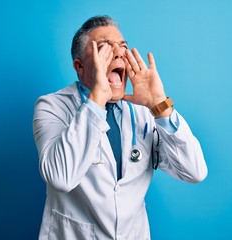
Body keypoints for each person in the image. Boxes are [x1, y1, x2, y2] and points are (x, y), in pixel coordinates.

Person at [33, 15, 207, 240]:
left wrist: (160, 105)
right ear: (80, 66)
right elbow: (60, 177)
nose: (117, 53)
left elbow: (194, 171)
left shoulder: (145, 111)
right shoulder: (52, 106)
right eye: (104, 48)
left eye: (122, 47)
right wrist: (97, 99)